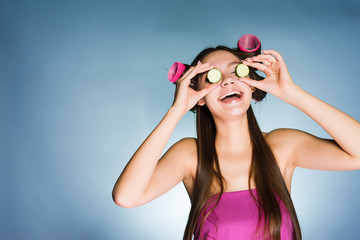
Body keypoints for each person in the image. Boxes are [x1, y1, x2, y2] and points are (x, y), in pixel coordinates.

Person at [112, 36, 360, 240]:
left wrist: (290, 92)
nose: (228, 80)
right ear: (199, 97)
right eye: (213, 77)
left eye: (235, 72)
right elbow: (127, 197)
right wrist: (176, 111)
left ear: (252, 86)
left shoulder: (282, 146)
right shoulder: (189, 156)